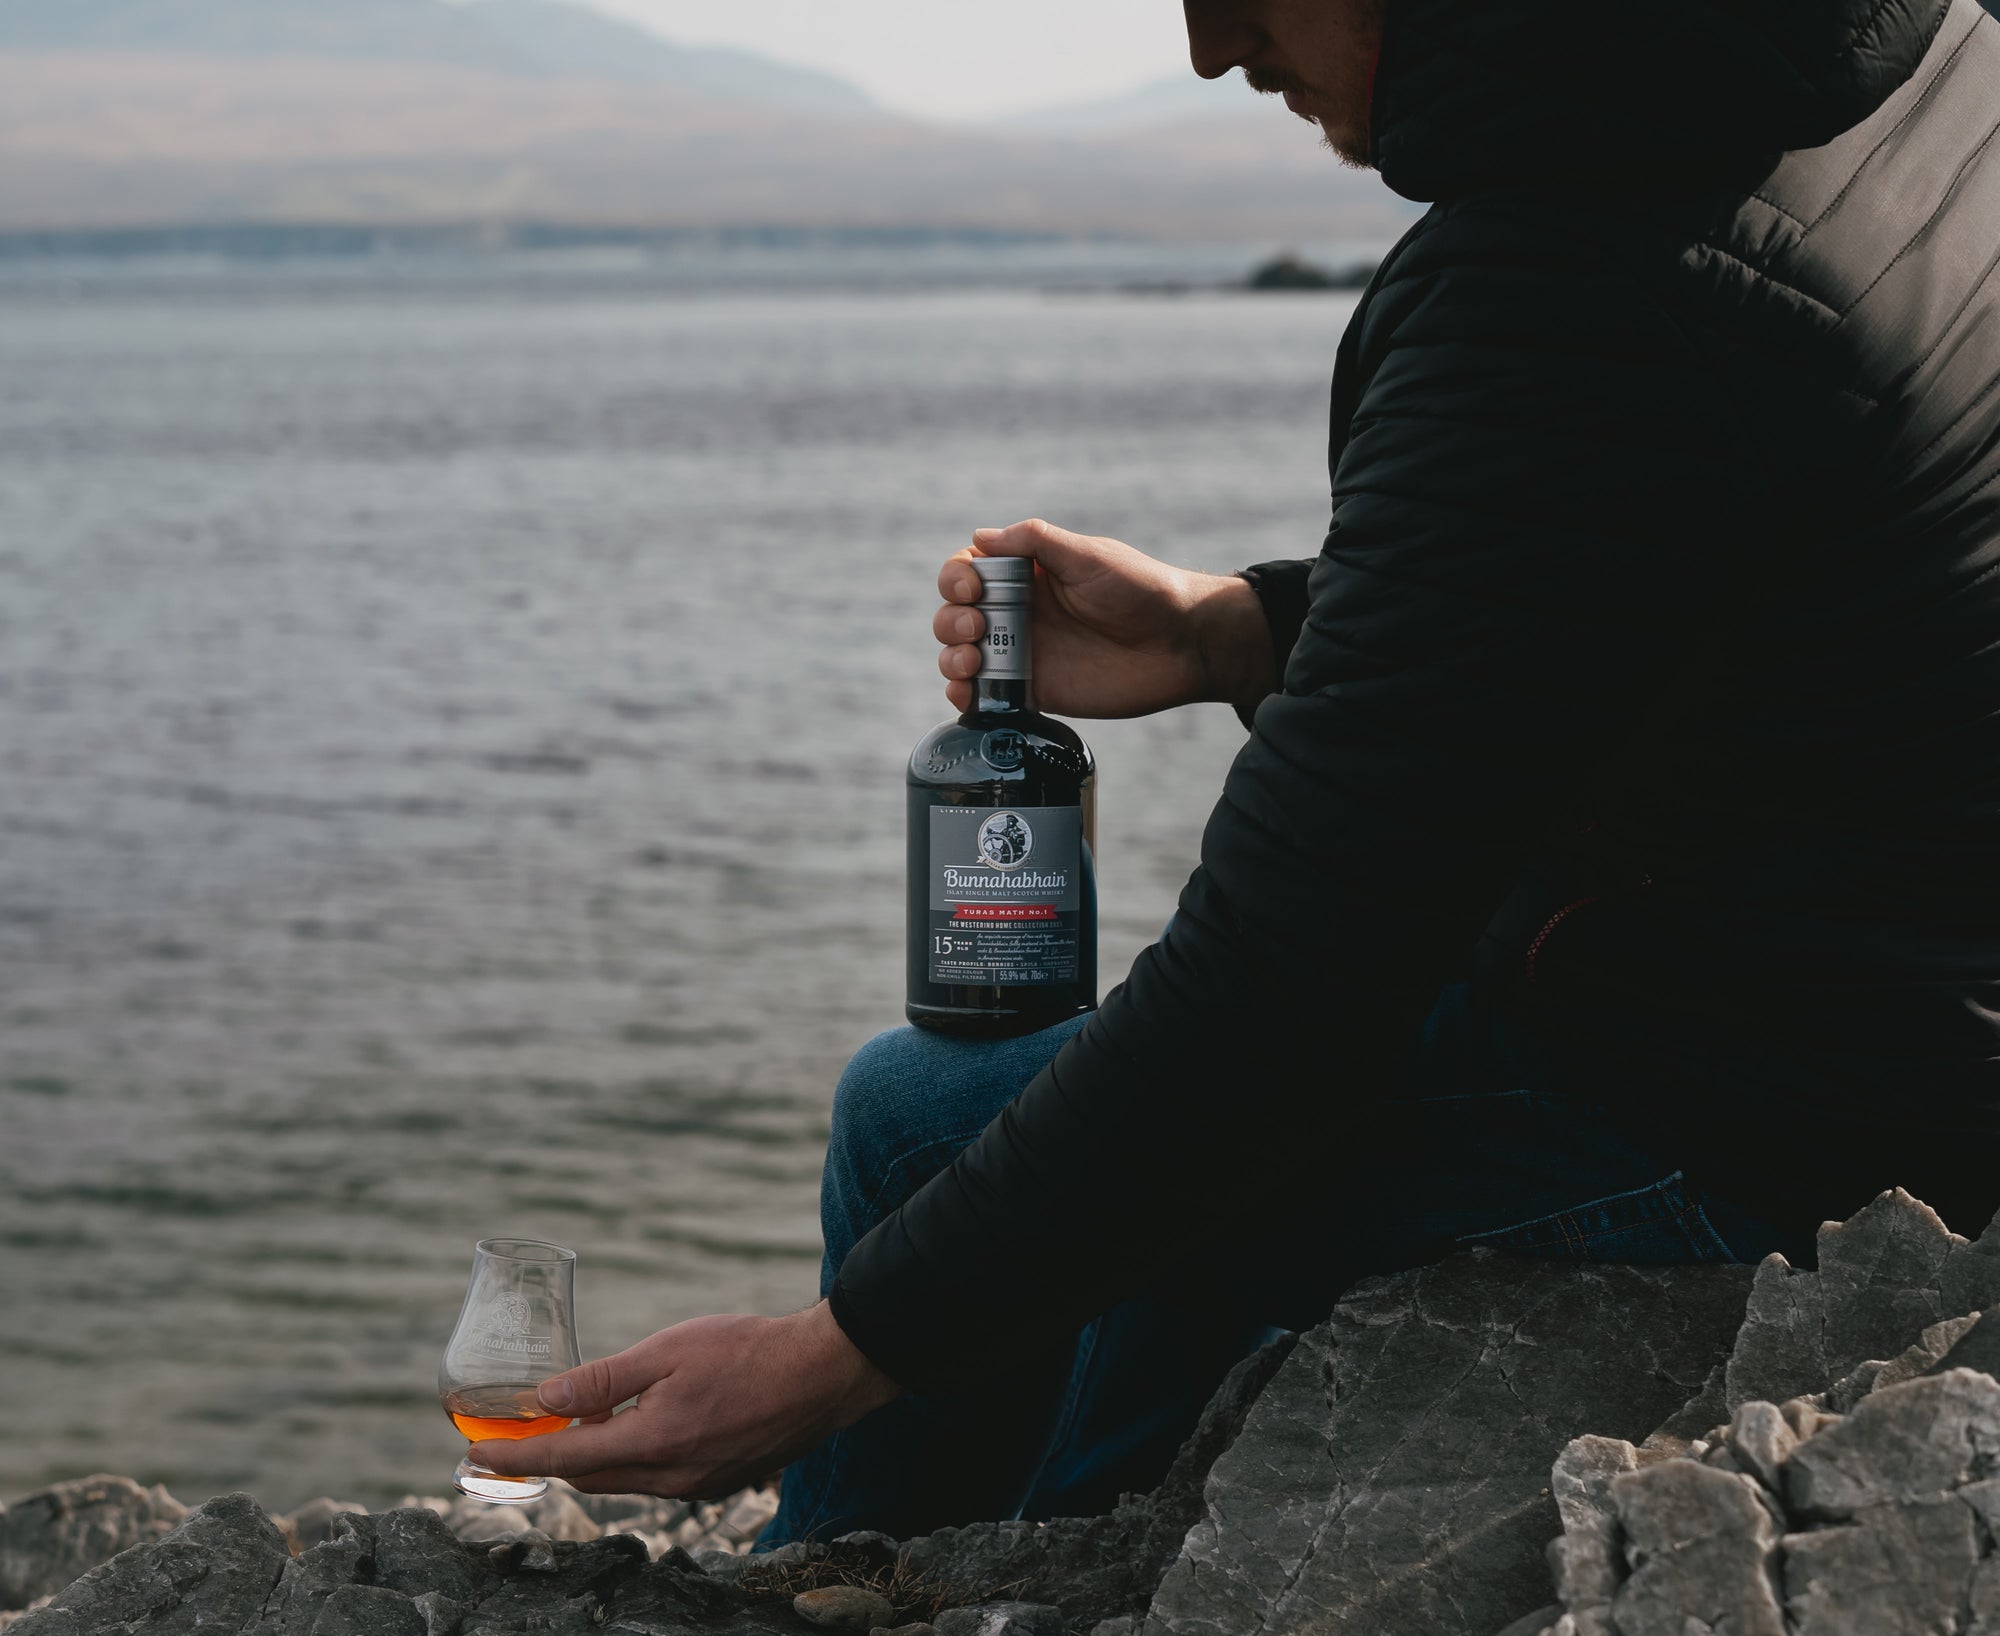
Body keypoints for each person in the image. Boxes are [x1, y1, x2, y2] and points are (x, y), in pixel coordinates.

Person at [469, 0, 2000, 1539]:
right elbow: (1686, 569)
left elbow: (1289, 987)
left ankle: (917, 1606)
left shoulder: (1580, 270)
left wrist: (835, 1357)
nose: (1210, 49)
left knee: (942, 1123)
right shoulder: (1894, 59)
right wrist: (1237, 632)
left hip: (1791, 1118)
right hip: (1881, 993)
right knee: (962, 1121)